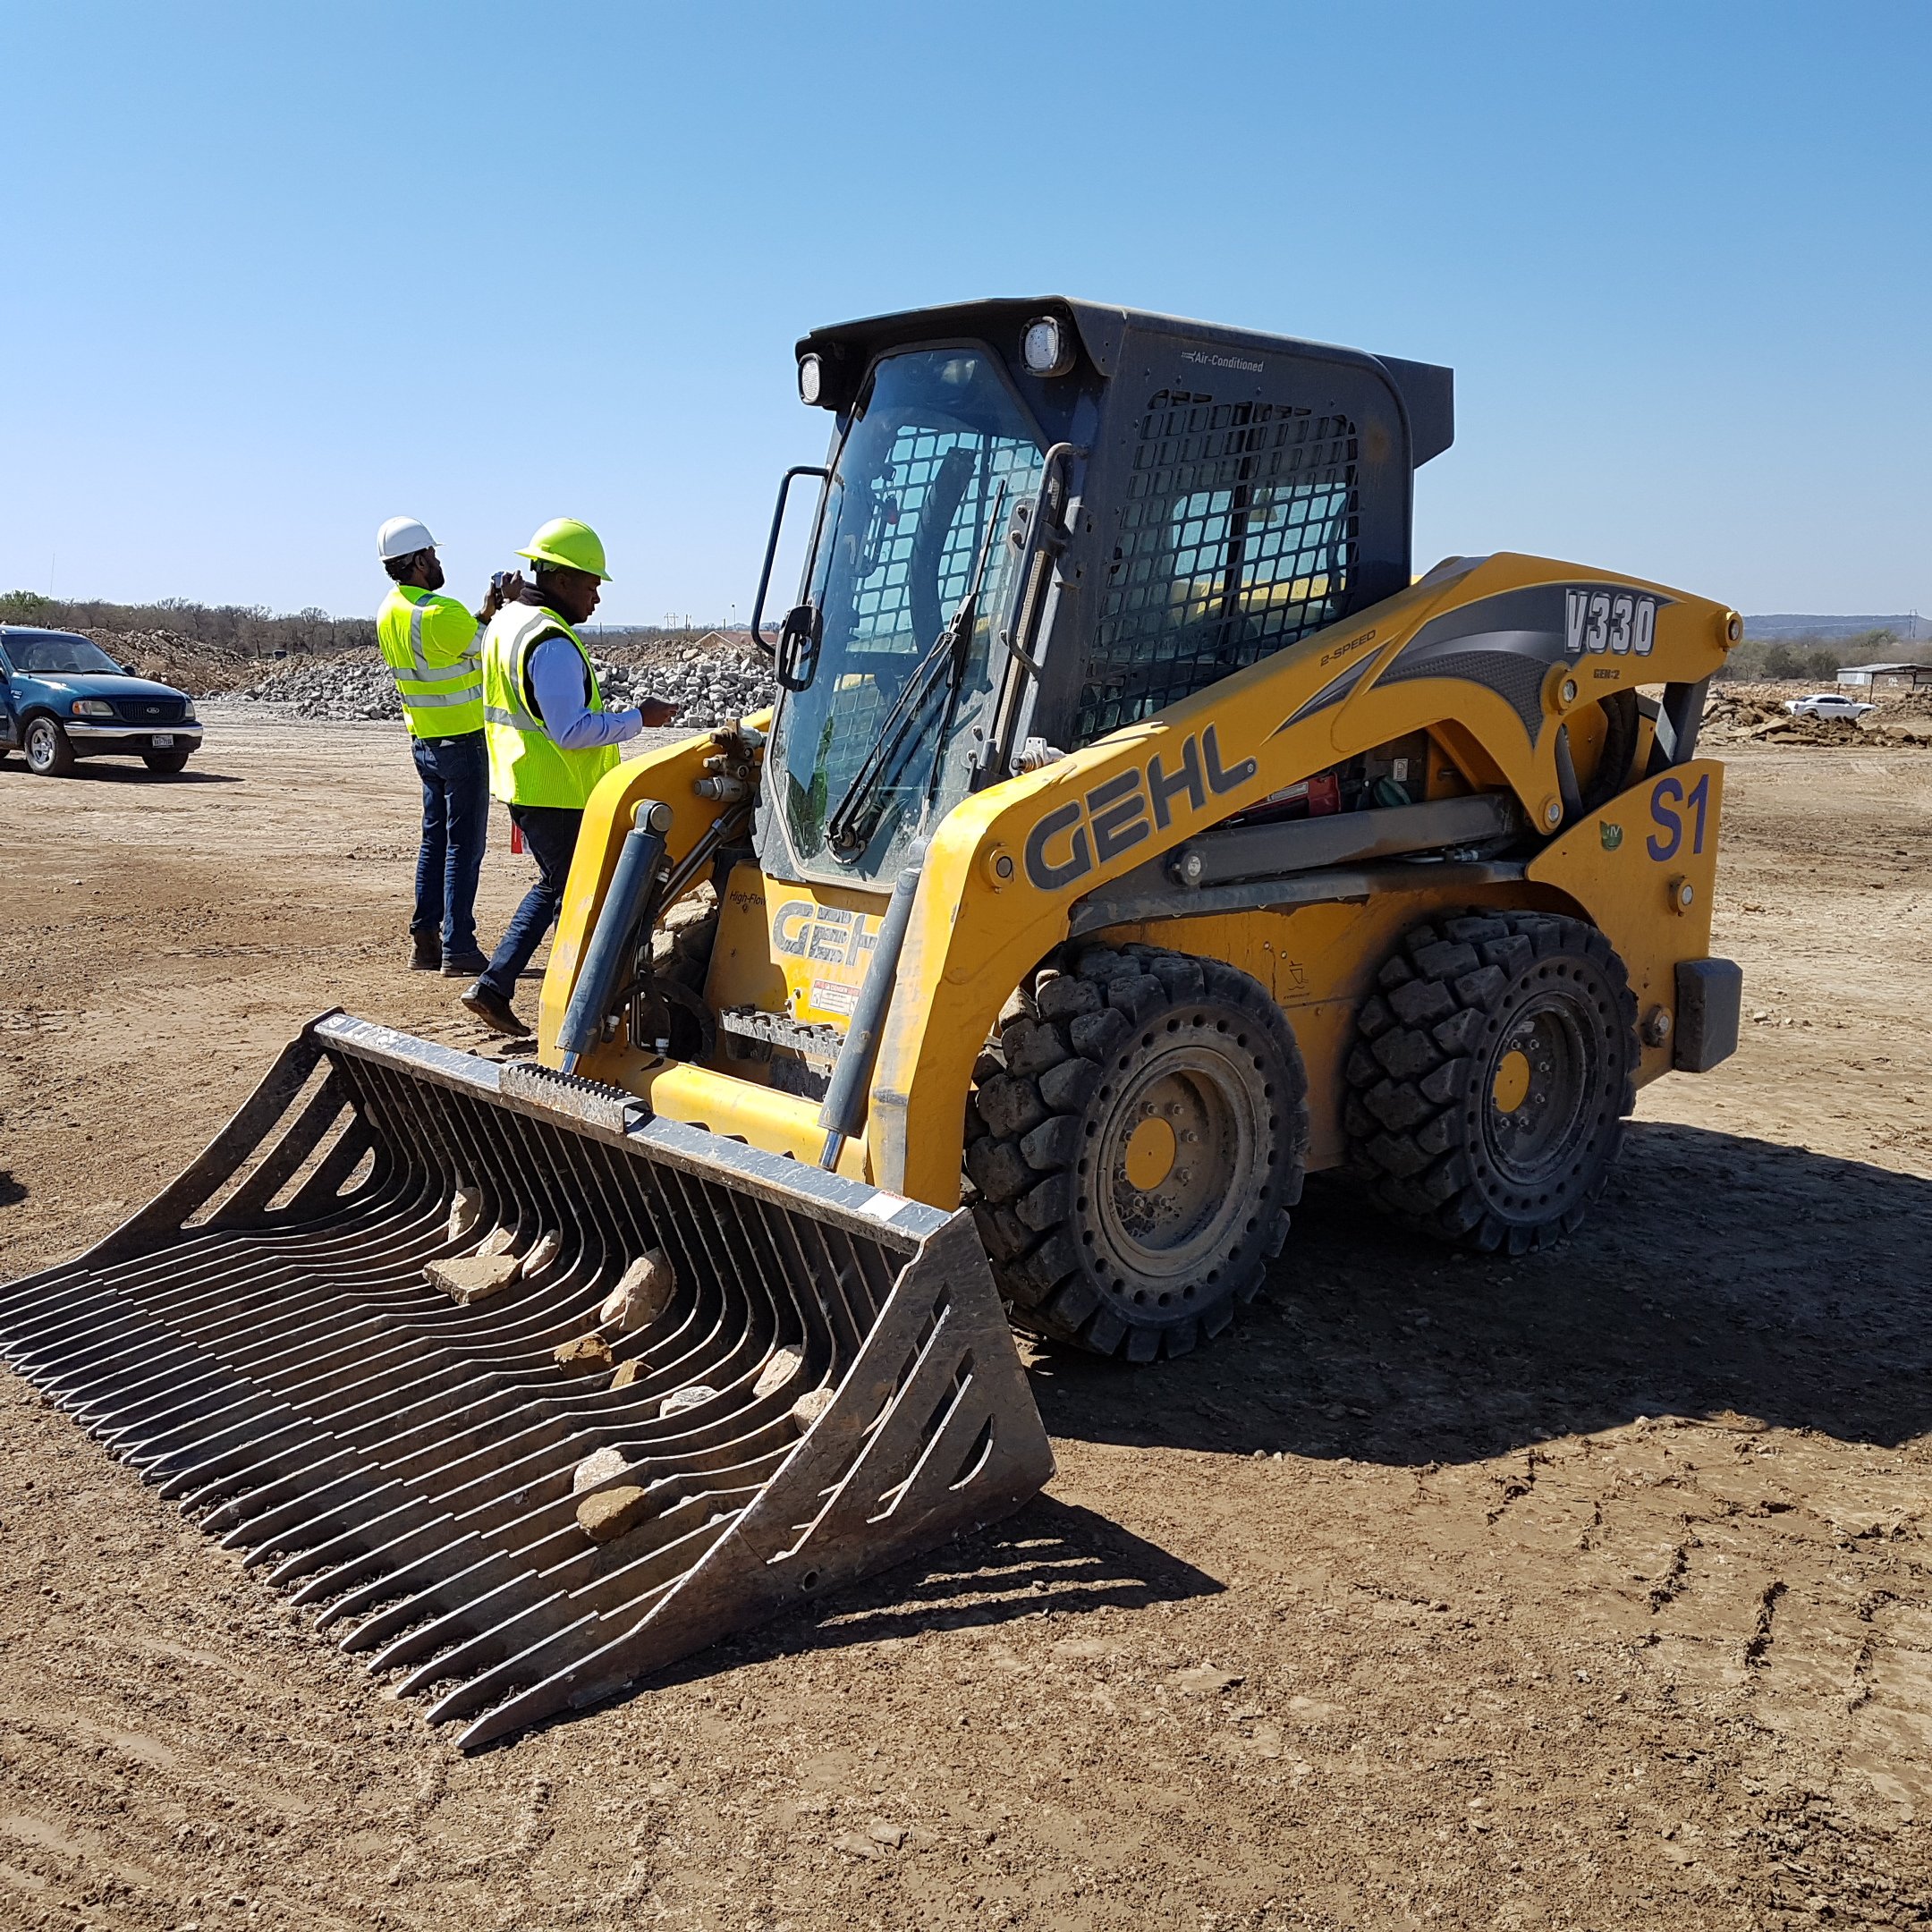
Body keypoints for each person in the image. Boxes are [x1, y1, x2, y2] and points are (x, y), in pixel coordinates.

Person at [461, 517, 677, 1037]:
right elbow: (571, 730)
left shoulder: (507, 623)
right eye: (591, 584)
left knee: (557, 888)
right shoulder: (550, 642)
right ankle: (560, 1005)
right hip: (556, 791)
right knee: (582, 894)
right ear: (560, 580)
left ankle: (509, 990)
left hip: (528, 784)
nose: (596, 598)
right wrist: (638, 720)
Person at [375, 514, 508, 976]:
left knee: (435, 841)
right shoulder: (440, 612)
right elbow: (495, 650)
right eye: (430, 555)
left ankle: (426, 942)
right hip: (463, 742)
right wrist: (506, 612)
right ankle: (459, 945)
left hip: (425, 740)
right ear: (415, 561)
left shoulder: (391, 610)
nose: (436, 562)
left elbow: (454, 645)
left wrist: (485, 613)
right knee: (463, 847)